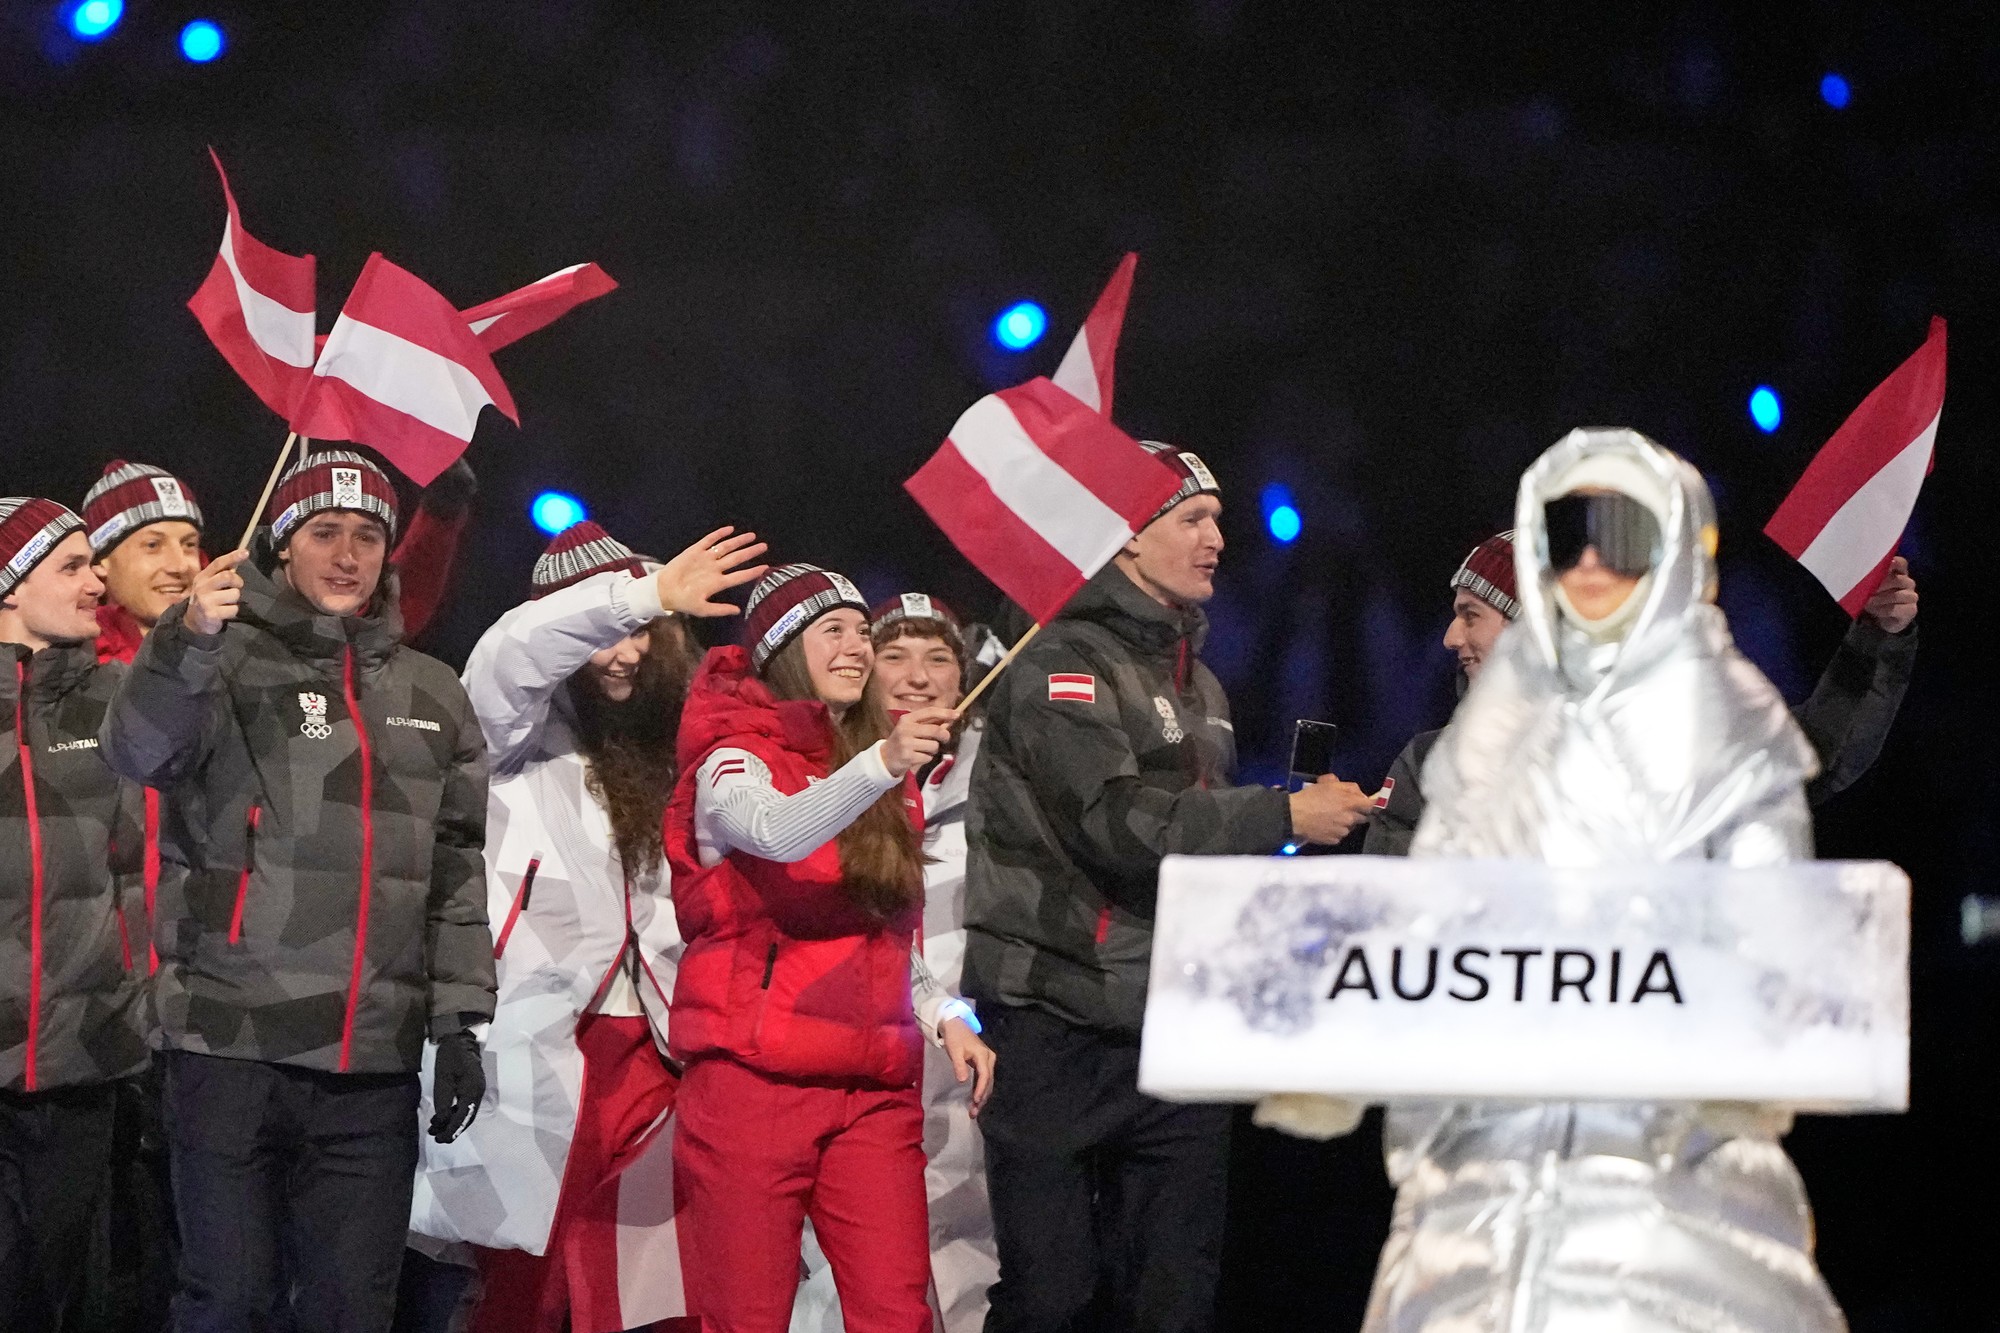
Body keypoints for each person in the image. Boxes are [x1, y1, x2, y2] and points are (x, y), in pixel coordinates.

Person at [1363, 427, 1844, 1331]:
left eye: (1615, 538)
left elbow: (1778, 963)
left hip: (1665, 1161)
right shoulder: (1485, 740)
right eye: (1566, 535)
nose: (1587, 561)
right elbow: (1416, 927)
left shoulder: (1730, 728)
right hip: (1495, 1151)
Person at [963, 443, 1376, 1333]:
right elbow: (1119, 824)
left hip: (1175, 1023)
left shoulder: (1206, 683)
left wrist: (1312, 836)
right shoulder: (1056, 664)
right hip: (1055, 1017)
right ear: (1122, 539)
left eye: (1218, 517)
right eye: (1191, 517)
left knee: (1175, 1301)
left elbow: (1202, 845)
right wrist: (1280, 817)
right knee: (1052, 1297)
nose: (1217, 537)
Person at [97, 450, 497, 1333]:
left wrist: (459, 1020)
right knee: (228, 1300)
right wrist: (186, 638)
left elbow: (456, 864)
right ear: (281, 546)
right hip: (230, 1041)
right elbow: (134, 748)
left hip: (371, 1065)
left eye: (367, 535)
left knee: (353, 1308)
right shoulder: (221, 658)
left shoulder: (433, 692)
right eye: (324, 532)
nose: (347, 554)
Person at [410, 519, 767, 1333]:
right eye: (608, 632)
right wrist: (641, 595)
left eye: (646, 633)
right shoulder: (503, 732)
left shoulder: (663, 746)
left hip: (658, 1047)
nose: (629, 653)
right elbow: (513, 650)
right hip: (536, 1047)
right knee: (521, 1293)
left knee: (649, 1287)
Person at [666, 563, 991, 1333]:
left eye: (860, 633)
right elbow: (779, 832)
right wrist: (878, 765)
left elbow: (880, 932)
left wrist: (943, 1009)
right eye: (833, 632)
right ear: (783, 649)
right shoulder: (730, 759)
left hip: (872, 1092)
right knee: (747, 1319)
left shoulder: (880, 771)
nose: (856, 648)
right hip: (752, 1087)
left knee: (896, 1315)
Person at [1364, 530, 1920, 855]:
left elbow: (1819, 755)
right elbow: (1380, 919)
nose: (1450, 637)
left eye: (1470, 615)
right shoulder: (1427, 766)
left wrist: (1876, 637)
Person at [792, 593, 1001, 1333]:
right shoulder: (819, 781)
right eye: (896, 655)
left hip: (968, 1078)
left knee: (974, 1263)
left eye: (939, 656)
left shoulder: (1001, 789)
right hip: (859, 1069)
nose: (918, 676)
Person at [0, 498, 151, 1332]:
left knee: (52, 1299)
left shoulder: (119, 699)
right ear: (9, 588)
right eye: (72, 566)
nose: (100, 580)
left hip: (83, 1056)